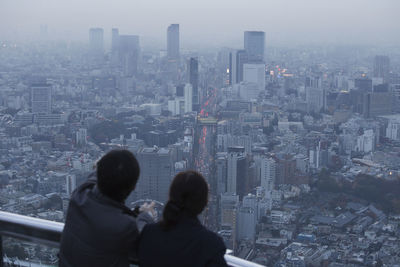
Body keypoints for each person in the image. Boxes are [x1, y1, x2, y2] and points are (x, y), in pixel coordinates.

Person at [59, 150, 154, 267]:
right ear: (134, 186)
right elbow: (147, 245)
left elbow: (95, 179)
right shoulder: (124, 226)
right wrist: (146, 215)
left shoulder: (79, 196)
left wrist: (101, 166)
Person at [138, 170, 228, 267]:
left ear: (171, 197)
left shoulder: (149, 234)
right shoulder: (211, 244)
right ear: (203, 204)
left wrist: (146, 216)